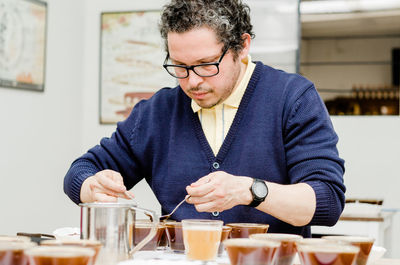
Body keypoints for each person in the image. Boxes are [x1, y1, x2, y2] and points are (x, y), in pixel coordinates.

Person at [64, 0, 345, 237]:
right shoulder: (157, 113)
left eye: (206, 65)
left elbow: (327, 201)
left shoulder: (292, 98)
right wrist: (92, 187)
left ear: (242, 46)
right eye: (180, 67)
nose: (192, 82)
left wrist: (250, 191)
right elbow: (80, 171)